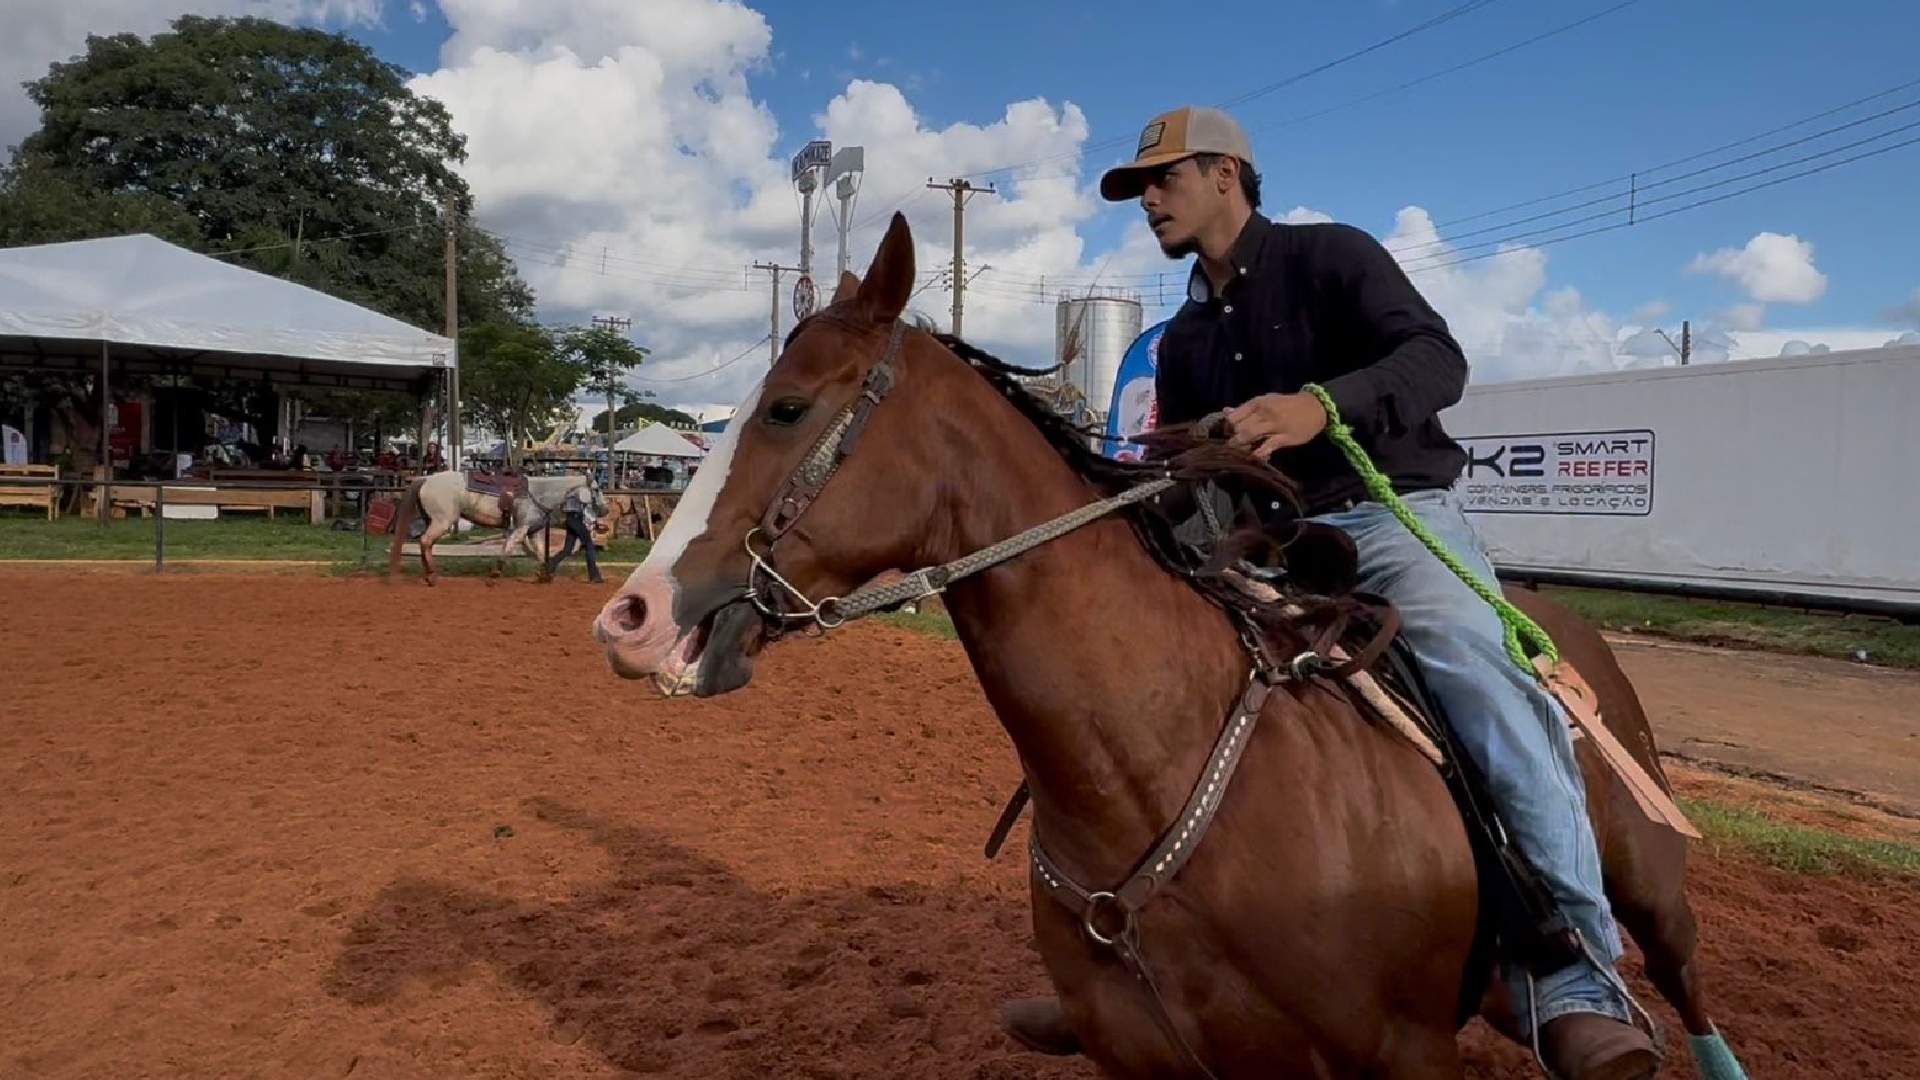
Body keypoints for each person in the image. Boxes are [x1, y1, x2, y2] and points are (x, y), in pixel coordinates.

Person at [995, 105, 1659, 1080]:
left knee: (1484, 681)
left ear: (1225, 174)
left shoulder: (1330, 258)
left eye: (1163, 179)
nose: (1148, 201)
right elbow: (1185, 473)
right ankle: (1124, 966)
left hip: (1388, 521)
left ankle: (1574, 982)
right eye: (1140, 188)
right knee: (1135, 690)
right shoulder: (1183, 342)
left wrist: (1319, 406)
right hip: (1260, 547)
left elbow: (1438, 360)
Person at [544, 482, 605, 584]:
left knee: (567, 549)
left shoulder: (570, 492)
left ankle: (548, 567)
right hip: (576, 518)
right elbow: (586, 500)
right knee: (589, 545)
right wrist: (593, 493)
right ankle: (594, 575)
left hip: (571, 518)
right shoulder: (579, 490)